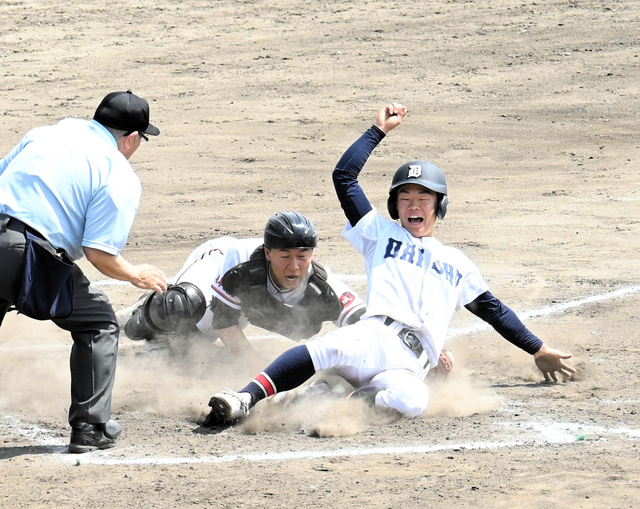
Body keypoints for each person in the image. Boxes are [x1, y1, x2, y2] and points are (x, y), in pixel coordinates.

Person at [203, 103, 576, 426]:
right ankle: (243, 399)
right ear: (394, 206)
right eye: (405, 198)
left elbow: (494, 311)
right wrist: (378, 130)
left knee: (412, 401)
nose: (414, 205)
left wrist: (537, 349)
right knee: (326, 349)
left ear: (438, 206)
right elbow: (343, 177)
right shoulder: (379, 234)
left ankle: (334, 400)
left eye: (424, 198)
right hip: (373, 336)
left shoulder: (458, 264)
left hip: (411, 364)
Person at [0, 90, 168, 453]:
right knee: (98, 321)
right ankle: (91, 427)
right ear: (132, 138)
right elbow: (99, 253)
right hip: (25, 251)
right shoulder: (117, 172)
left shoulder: (44, 133)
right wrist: (136, 274)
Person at [117, 211, 367, 360]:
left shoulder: (322, 286)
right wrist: (255, 366)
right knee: (182, 304)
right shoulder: (240, 263)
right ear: (268, 253)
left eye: (302, 256)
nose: (294, 266)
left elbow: (363, 320)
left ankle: (172, 339)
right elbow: (224, 323)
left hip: (241, 302)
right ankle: (145, 313)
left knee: (197, 349)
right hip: (216, 262)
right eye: (285, 256)